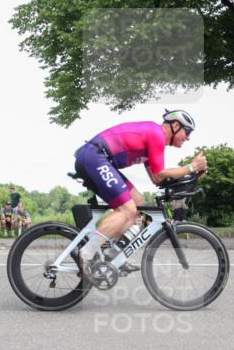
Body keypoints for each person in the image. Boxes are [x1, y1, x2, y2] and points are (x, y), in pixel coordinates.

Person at [71, 109, 206, 277]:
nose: (188, 137)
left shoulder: (155, 140)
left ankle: (112, 254)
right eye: (187, 132)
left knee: (139, 202)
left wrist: (192, 174)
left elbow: (157, 178)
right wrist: (192, 167)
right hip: (95, 156)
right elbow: (161, 172)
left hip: (100, 159)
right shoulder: (157, 134)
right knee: (127, 210)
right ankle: (85, 252)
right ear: (176, 125)